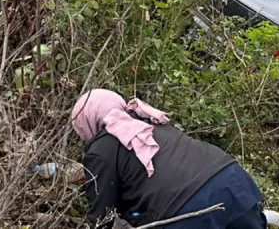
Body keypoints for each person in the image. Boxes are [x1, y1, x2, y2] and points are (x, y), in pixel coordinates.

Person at [71, 89, 267, 229]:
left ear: (87, 123)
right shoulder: (150, 120)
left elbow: (100, 218)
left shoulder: (100, 149)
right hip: (234, 183)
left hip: (188, 210)